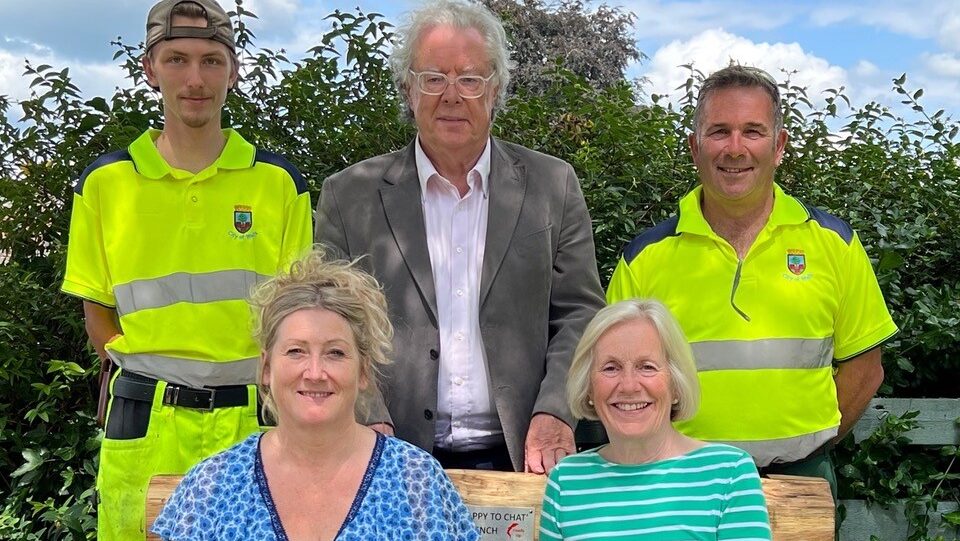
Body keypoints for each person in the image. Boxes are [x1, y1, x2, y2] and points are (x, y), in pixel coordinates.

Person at [315, 0, 605, 474]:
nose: (451, 96)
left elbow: (580, 313)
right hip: (390, 455)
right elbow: (330, 323)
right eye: (433, 78)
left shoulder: (553, 186)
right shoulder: (349, 196)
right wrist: (366, 417)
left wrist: (556, 410)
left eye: (470, 80)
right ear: (408, 89)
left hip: (525, 454)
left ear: (496, 90)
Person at [60, 1, 313, 538]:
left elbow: (299, 323)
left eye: (211, 61)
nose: (195, 79)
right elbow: (97, 319)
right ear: (149, 69)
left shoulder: (279, 184)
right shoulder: (104, 184)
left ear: (233, 71)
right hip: (145, 426)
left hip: (254, 424)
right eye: (176, 59)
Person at [606, 64, 898, 497]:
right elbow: (613, 379)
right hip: (677, 482)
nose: (735, 148)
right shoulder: (644, 258)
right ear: (695, 147)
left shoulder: (834, 243)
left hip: (800, 480)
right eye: (719, 131)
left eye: (753, 132)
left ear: (778, 146)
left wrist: (807, 446)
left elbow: (866, 369)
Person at [151, 250, 480, 540]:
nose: (315, 372)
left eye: (335, 353)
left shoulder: (417, 483)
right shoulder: (212, 487)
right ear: (266, 367)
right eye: (296, 351)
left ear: (363, 371)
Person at [540, 299, 771, 540]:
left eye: (647, 367)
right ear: (588, 387)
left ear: (676, 383)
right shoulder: (566, 481)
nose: (628, 386)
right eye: (611, 368)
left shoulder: (729, 473)